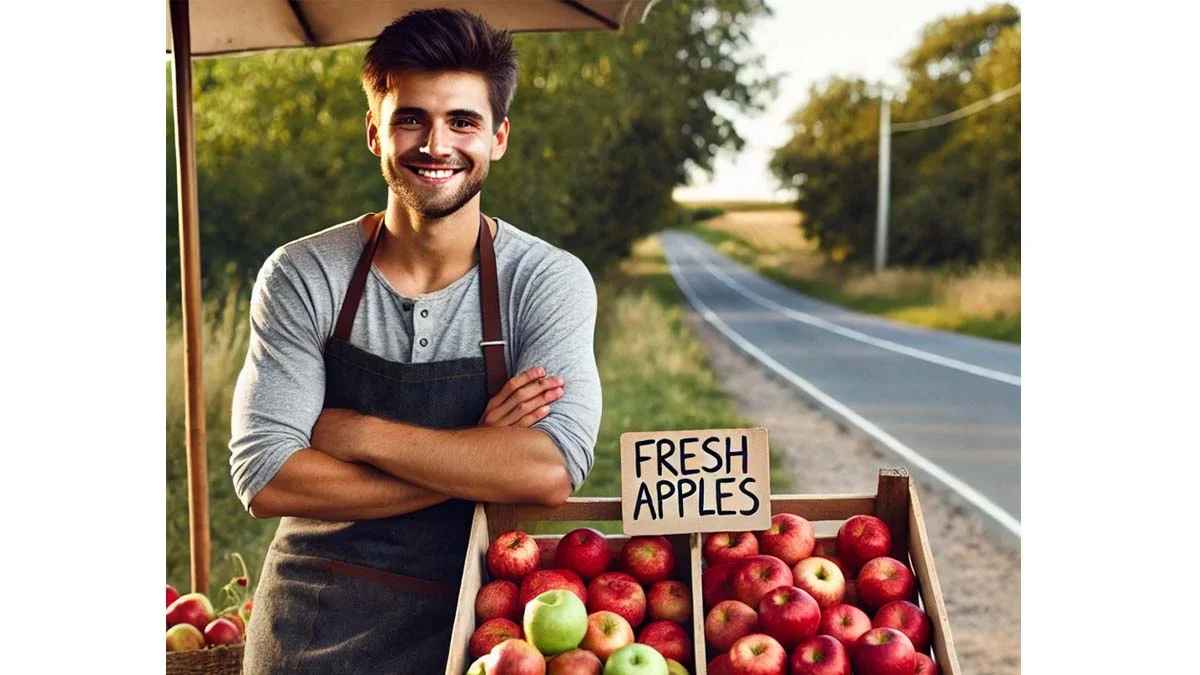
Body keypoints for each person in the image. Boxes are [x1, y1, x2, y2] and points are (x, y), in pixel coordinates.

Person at [229, 9, 602, 674]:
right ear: (375, 131)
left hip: (476, 620)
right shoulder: (304, 273)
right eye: (411, 119)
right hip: (309, 621)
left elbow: (550, 470)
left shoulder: (545, 280)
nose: (437, 144)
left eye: (463, 121)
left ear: (499, 137)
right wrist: (474, 458)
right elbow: (268, 477)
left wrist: (357, 432)